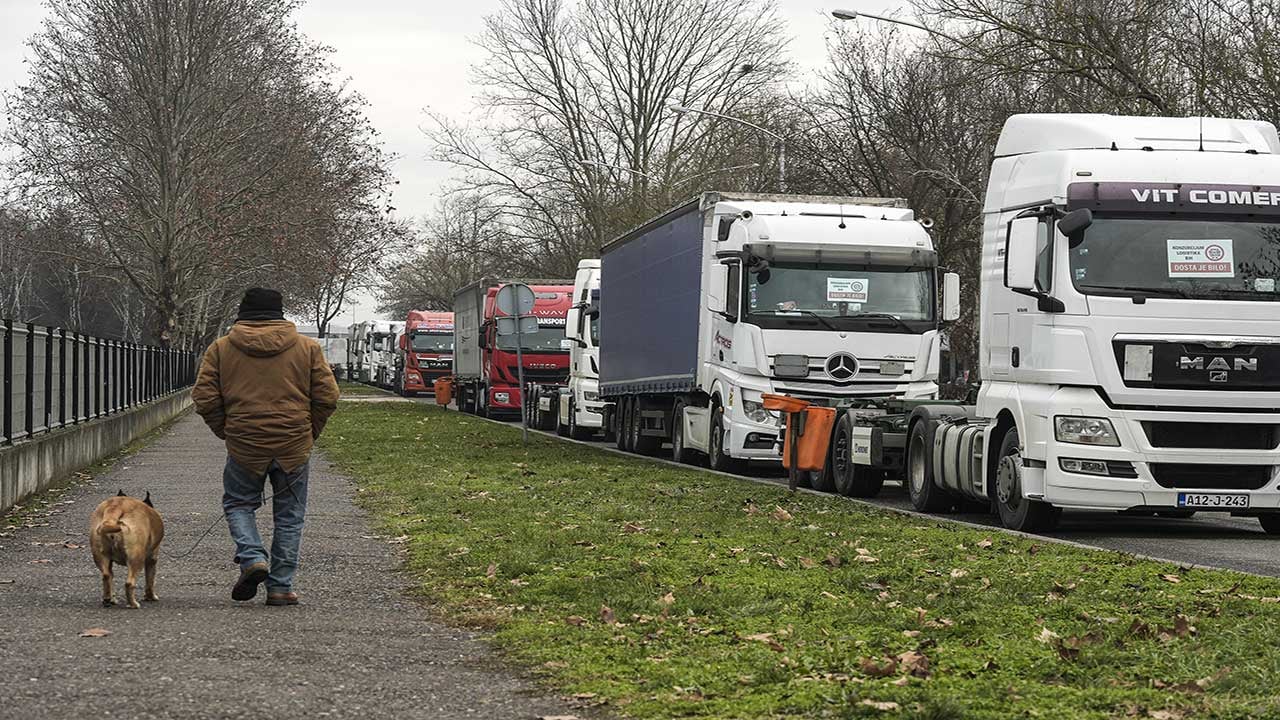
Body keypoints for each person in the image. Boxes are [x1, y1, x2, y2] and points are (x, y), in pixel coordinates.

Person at [191, 288, 340, 605]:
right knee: (289, 517)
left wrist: (228, 431)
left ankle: (252, 556)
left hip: (245, 443)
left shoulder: (221, 349)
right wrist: (309, 432)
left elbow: (204, 398)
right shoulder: (307, 348)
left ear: (242, 312)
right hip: (293, 443)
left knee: (238, 504)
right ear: (280, 313)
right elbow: (328, 397)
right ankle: (281, 587)